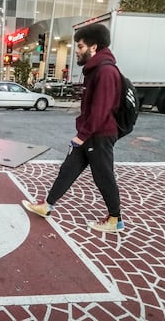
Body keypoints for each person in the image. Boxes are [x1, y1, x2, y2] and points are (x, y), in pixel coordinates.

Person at [23, 23, 124, 233]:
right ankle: (47, 205)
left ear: (93, 47)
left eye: (79, 47)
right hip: (90, 134)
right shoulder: (95, 69)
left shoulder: (105, 71)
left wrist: (82, 135)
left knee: (103, 176)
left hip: (99, 135)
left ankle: (116, 219)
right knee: (67, 170)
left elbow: (101, 110)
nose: (76, 51)